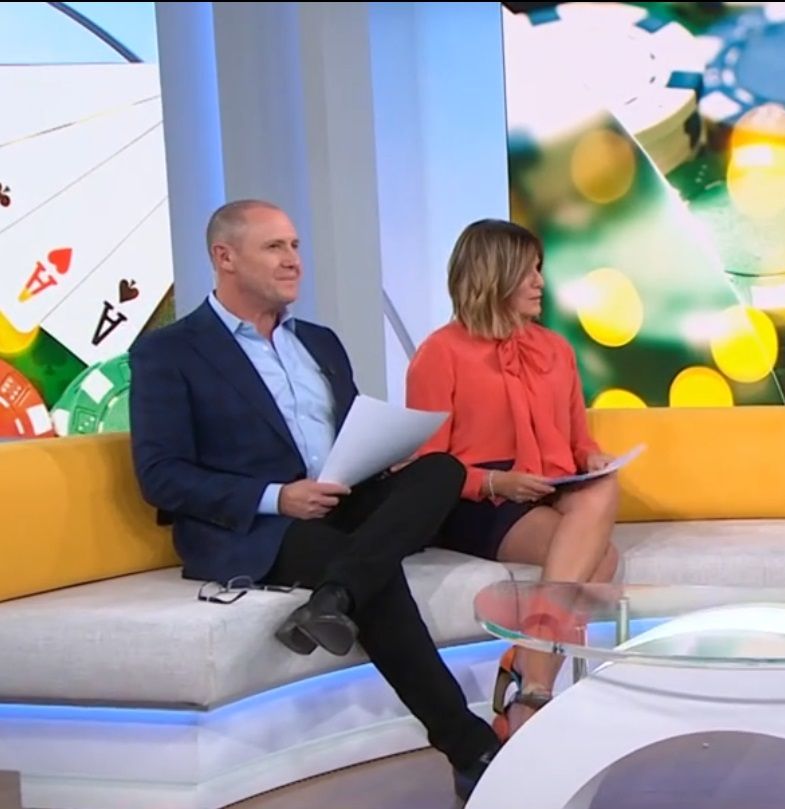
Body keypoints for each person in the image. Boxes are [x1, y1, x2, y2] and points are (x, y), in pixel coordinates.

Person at [128, 199, 499, 800]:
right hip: (257, 525)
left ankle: (335, 597)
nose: (293, 260)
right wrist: (278, 497)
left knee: (441, 470)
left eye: (295, 246)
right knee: (370, 568)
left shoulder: (320, 343)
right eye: (275, 247)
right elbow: (161, 475)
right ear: (225, 257)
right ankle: (471, 747)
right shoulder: (169, 352)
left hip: (344, 498)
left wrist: (379, 455)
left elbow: (351, 433)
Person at [405, 218, 620, 741]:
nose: (540, 283)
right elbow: (427, 464)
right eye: (529, 271)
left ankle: (529, 670)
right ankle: (534, 686)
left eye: (539, 270)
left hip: (548, 483)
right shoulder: (440, 353)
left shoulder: (555, 349)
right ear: (493, 275)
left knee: (604, 488)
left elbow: (578, 440)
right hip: (478, 496)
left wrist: (592, 458)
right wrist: (496, 485)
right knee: (601, 559)